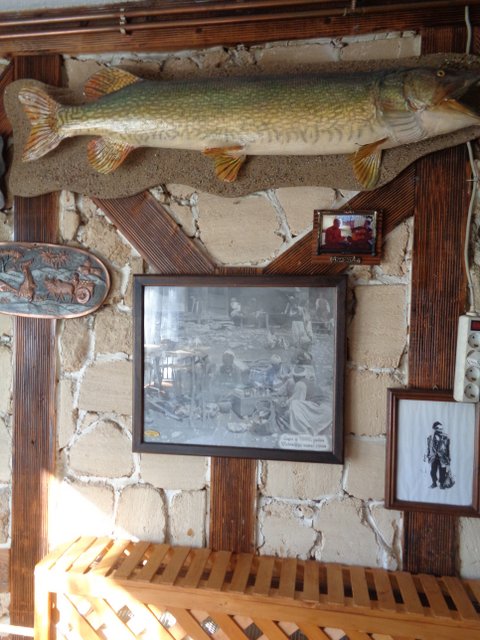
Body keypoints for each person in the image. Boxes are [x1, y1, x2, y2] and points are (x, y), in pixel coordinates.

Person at [425, 421, 453, 489]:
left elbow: (448, 449)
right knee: (433, 471)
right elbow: (428, 448)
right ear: (435, 428)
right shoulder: (430, 438)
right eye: (439, 428)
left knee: (442, 471)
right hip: (433, 457)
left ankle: (442, 484)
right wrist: (427, 455)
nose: (441, 429)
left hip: (443, 457)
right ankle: (434, 483)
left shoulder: (446, 438)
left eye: (441, 428)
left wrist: (448, 459)